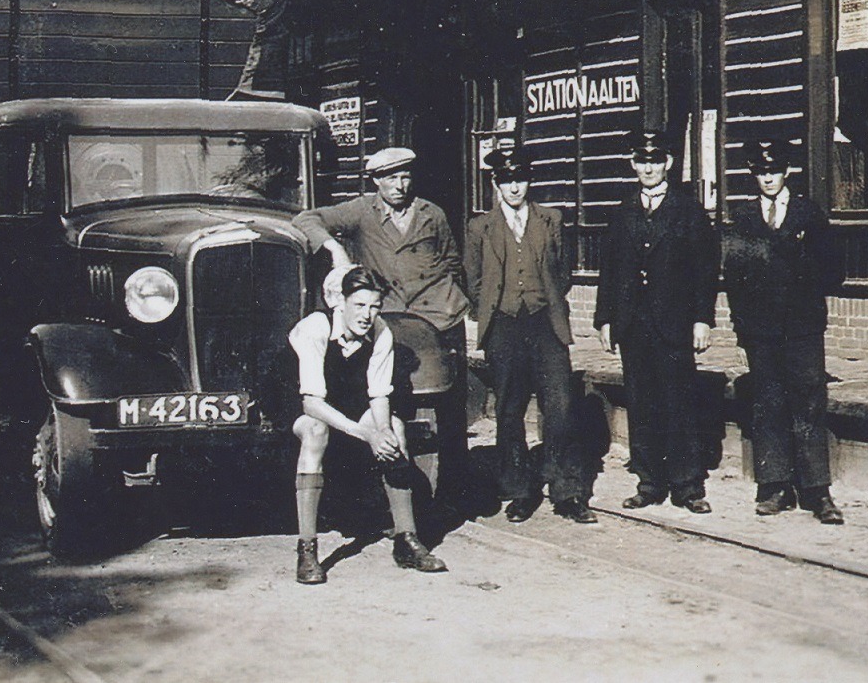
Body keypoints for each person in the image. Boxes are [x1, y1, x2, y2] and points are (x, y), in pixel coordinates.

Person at [291, 147, 472, 505]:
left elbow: (451, 260)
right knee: (392, 398)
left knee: (451, 407)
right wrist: (335, 249)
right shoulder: (361, 211)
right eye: (391, 178)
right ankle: (399, 488)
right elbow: (306, 219)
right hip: (393, 318)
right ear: (376, 181)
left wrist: (449, 297)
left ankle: (454, 492)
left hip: (440, 316)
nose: (400, 185)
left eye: (405, 177)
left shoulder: (431, 213)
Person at [289, 265, 448, 584]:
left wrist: (383, 431)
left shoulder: (380, 333)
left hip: (346, 397)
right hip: (300, 398)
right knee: (317, 432)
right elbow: (312, 403)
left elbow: (378, 394)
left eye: (375, 306)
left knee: (395, 430)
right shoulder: (315, 327)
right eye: (359, 305)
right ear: (341, 302)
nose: (367, 314)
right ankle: (307, 550)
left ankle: (406, 539)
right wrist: (364, 433)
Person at [465, 145, 595, 525]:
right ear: (495, 183)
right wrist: (493, 311)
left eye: (520, 179)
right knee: (509, 410)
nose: (514, 187)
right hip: (504, 327)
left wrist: (543, 301)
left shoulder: (551, 219)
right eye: (506, 180)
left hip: (545, 324)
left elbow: (562, 272)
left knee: (560, 407)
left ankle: (567, 491)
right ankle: (520, 491)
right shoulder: (480, 227)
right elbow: (473, 279)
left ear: (529, 181)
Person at [594, 130, 719, 513]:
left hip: (674, 323)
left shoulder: (688, 210)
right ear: (633, 164)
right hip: (633, 324)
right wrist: (605, 319)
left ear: (668, 163)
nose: (649, 168)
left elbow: (705, 270)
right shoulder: (622, 211)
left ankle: (687, 486)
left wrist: (702, 319)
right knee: (641, 402)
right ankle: (648, 482)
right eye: (642, 161)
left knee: (679, 401)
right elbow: (609, 269)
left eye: (656, 161)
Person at [722, 141, 846, 525]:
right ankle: (774, 486)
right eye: (761, 172)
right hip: (761, 331)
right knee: (768, 403)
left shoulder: (809, 214)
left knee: (809, 402)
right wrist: (741, 333)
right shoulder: (743, 218)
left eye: (774, 171)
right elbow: (734, 279)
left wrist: (802, 279)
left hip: (803, 328)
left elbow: (834, 271)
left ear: (786, 172)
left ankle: (817, 490)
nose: (768, 178)